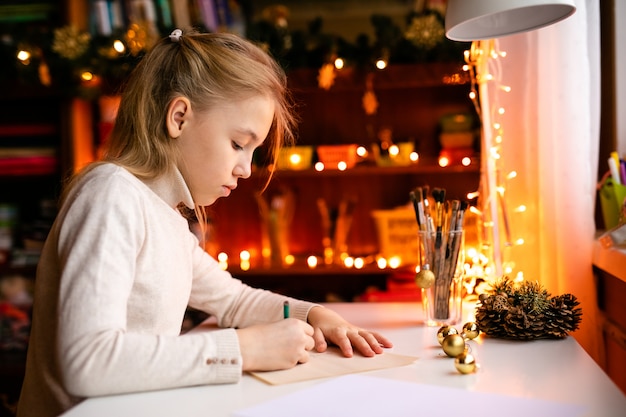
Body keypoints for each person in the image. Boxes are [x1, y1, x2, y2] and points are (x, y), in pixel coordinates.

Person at [17, 29, 393, 417]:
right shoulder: (111, 196)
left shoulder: (168, 220)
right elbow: (88, 362)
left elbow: (234, 300)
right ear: (179, 117)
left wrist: (314, 314)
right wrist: (246, 350)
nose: (246, 169)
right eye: (237, 144)